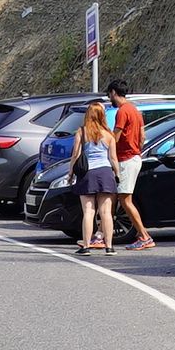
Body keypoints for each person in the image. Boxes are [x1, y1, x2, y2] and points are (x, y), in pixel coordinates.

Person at [104, 81, 154, 250]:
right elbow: (142, 136)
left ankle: (144, 236)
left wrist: (105, 151)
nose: (109, 98)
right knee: (121, 198)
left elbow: (114, 138)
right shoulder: (135, 110)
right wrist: (136, 150)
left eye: (109, 94)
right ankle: (101, 234)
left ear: (113, 92)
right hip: (133, 157)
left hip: (125, 159)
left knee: (125, 200)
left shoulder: (122, 111)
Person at [70, 97, 122, 253]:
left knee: (88, 211)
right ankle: (109, 246)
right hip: (105, 173)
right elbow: (113, 158)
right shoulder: (109, 134)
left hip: (87, 174)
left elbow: (75, 155)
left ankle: (86, 246)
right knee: (106, 212)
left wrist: (70, 172)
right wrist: (117, 174)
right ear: (102, 116)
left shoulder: (82, 131)